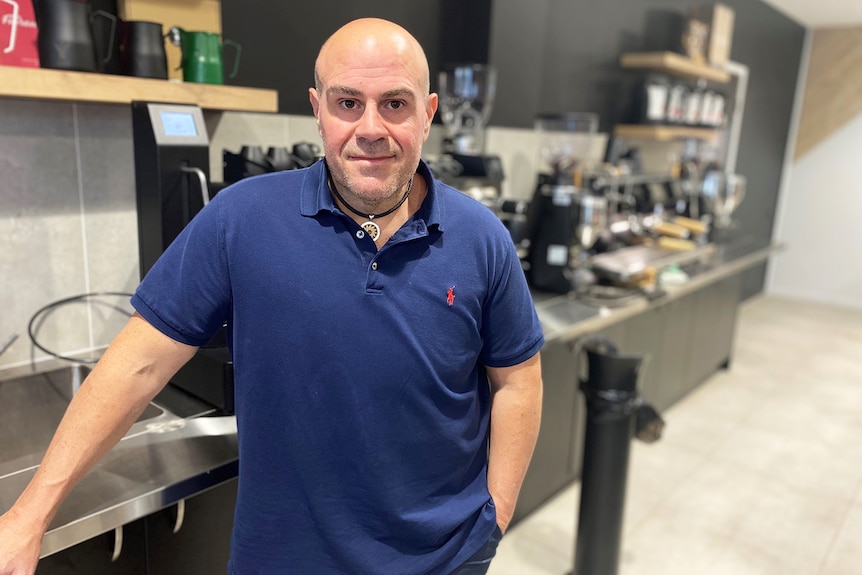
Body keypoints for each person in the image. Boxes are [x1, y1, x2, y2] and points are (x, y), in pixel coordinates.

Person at [0, 17, 543, 575]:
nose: (371, 127)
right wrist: (28, 515)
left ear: (429, 113)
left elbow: (518, 379)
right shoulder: (241, 218)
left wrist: (492, 521)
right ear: (317, 108)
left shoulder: (482, 238)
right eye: (348, 102)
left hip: (445, 561)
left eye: (395, 104)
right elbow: (137, 365)